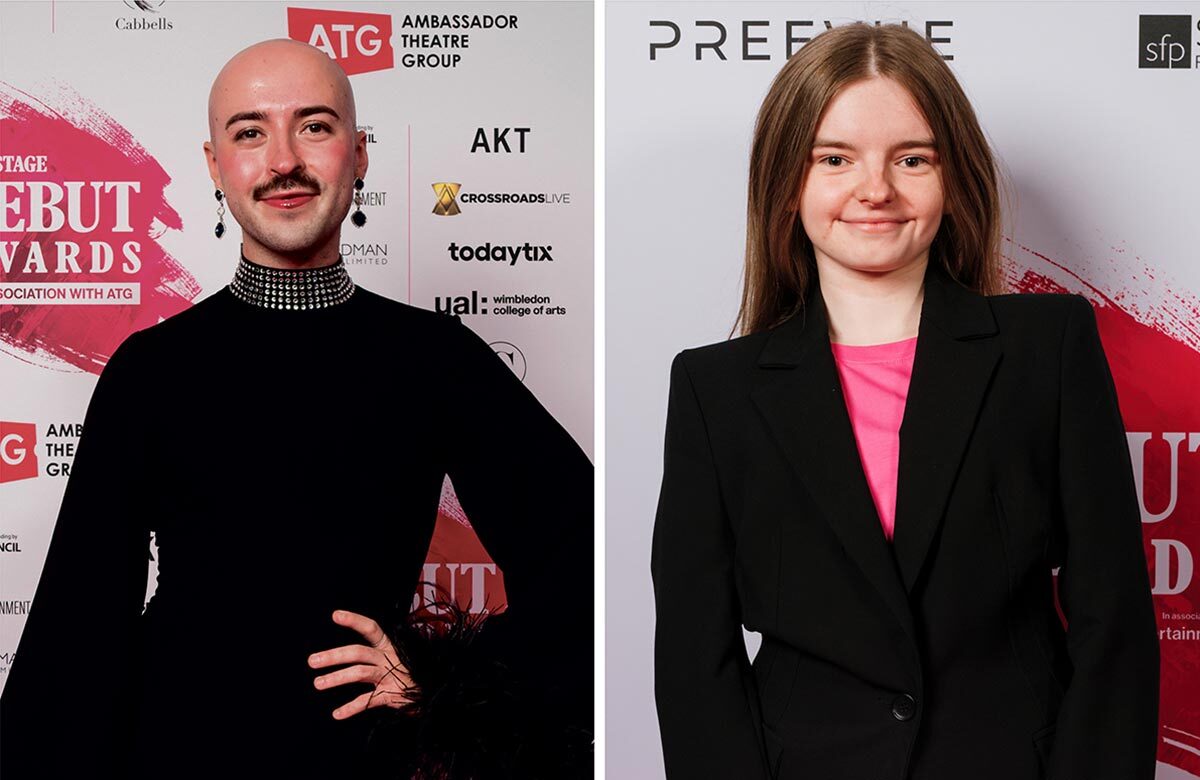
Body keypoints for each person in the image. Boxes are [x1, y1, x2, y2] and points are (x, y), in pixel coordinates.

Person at [1, 39, 592, 779]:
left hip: (360, 761)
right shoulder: (150, 372)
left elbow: (584, 548)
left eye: (314, 125)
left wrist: (449, 679)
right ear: (216, 167)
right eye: (249, 133)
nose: (283, 160)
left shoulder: (435, 359)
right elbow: (79, 628)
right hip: (172, 756)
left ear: (360, 154)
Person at [650, 22, 1158, 780]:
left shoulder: (1046, 347)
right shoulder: (713, 390)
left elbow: (1111, 617)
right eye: (835, 159)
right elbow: (696, 663)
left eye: (911, 158)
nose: (875, 189)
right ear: (788, 184)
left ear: (952, 177)